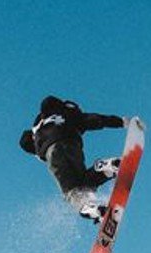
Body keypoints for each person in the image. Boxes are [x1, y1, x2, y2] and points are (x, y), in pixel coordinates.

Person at [20, 96, 126, 225]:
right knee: (83, 183)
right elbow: (96, 120)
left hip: (51, 153)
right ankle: (105, 168)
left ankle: (92, 208)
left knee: (72, 193)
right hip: (72, 144)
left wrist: (38, 150)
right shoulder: (69, 114)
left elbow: (24, 142)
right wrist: (122, 122)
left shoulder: (37, 127)